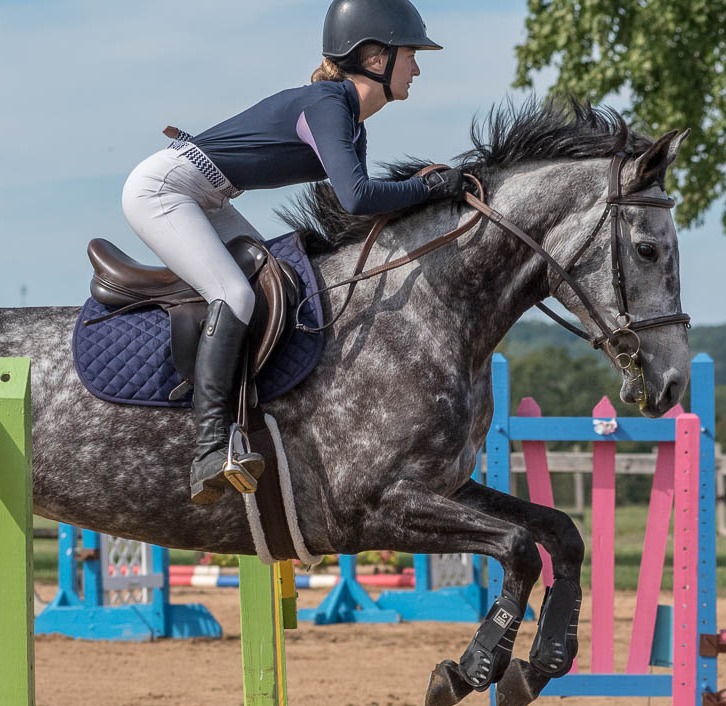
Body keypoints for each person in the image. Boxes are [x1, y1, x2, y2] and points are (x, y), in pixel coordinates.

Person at [123, 0, 471, 504]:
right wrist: (433, 189)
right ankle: (207, 449)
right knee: (235, 297)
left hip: (208, 193)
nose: (417, 67)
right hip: (164, 190)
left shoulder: (351, 121)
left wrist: (422, 189)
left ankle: (256, 420)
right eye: (410, 54)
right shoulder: (329, 105)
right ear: (374, 57)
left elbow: (356, 206)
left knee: (276, 285)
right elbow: (356, 197)